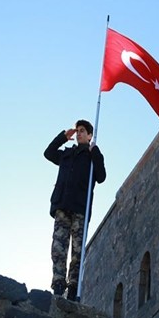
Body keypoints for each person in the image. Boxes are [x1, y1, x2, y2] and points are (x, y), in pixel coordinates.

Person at [43, 119, 106, 300]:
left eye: (82, 131)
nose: (78, 133)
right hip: (62, 205)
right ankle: (58, 285)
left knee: (77, 252)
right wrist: (63, 137)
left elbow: (101, 177)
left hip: (80, 208)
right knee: (58, 248)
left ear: (89, 135)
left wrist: (96, 152)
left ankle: (72, 289)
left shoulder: (92, 156)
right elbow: (48, 153)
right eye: (77, 131)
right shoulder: (67, 154)